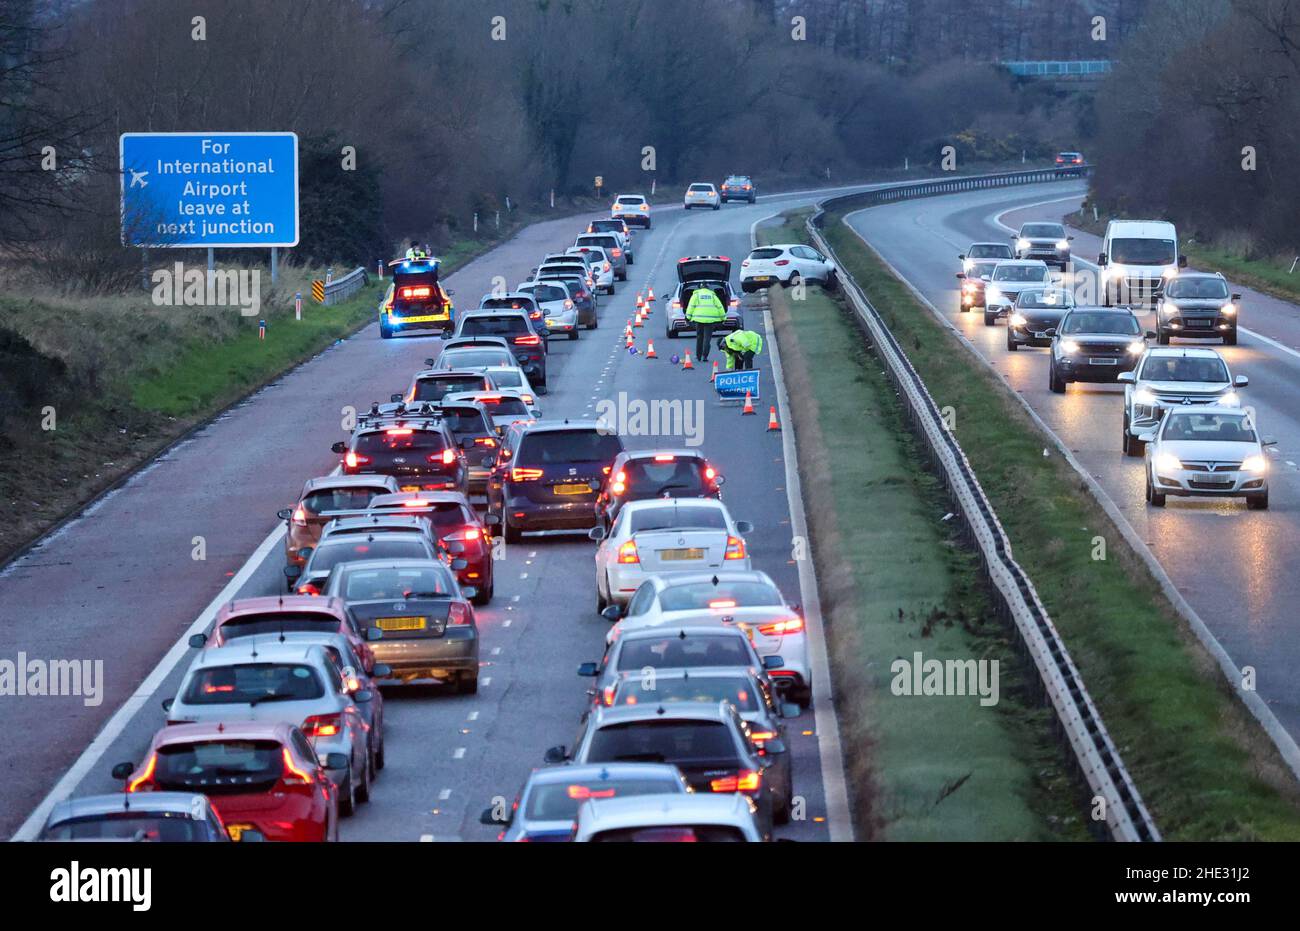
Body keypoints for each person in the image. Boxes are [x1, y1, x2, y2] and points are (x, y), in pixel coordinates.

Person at [685, 286, 727, 362]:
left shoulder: (696, 295)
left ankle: (698, 356)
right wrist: (723, 318)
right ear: (708, 288)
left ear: (700, 288)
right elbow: (720, 307)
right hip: (710, 319)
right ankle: (705, 356)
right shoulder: (713, 295)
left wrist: (688, 317)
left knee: (699, 337)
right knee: (707, 338)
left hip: (699, 319)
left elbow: (691, 306)